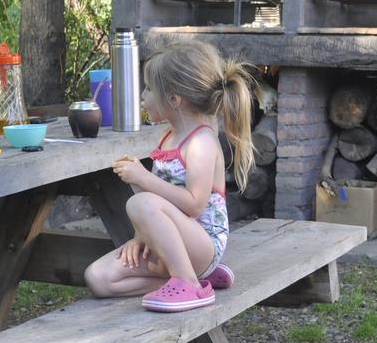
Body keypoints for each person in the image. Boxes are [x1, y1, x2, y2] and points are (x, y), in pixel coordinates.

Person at [84, 41, 256, 312]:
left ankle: (189, 283)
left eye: (149, 89)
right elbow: (159, 210)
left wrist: (142, 178)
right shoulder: (167, 137)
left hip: (202, 244)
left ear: (174, 99)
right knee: (98, 278)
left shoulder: (201, 142)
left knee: (139, 202)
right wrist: (140, 237)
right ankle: (195, 277)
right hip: (176, 245)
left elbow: (194, 204)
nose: (143, 95)